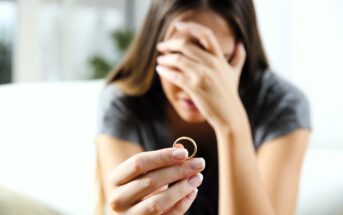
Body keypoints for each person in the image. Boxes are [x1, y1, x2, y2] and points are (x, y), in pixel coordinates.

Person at [95, 0, 311, 214]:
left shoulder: (281, 104)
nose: (197, 83)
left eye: (217, 62)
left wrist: (232, 124)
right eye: (182, 58)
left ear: (240, 54)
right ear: (155, 50)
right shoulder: (125, 104)